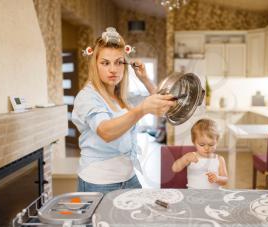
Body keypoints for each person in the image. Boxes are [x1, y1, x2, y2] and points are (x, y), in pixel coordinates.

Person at [72, 27, 175, 193]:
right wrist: (141, 110)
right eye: (105, 63)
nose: (113, 69)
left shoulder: (120, 95)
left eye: (119, 62)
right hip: (99, 182)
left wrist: (145, 80)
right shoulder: (87, 97)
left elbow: (163, 106)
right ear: (95, 66)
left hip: (129, 177)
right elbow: (106, 131)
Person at [172, 119, 228, 189]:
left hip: (214, 196)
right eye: (202, 144)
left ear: (217, 142)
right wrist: (185, 159)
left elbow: (225, 180)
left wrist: (218, 178)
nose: (206, 148)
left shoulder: (219, 159)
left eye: (211, 144)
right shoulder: (191, 156)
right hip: (194, 195)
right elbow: (175, 168)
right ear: (194, 142)